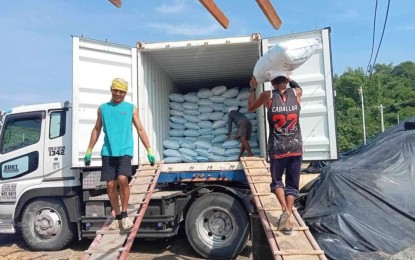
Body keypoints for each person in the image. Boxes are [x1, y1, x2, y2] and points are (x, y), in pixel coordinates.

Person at [83, 78, 156, 230]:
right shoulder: (103, 109)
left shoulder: (130, 108)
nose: (118, 94)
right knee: (110, 185)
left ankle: (124, 214)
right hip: (108, 151)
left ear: (125, 93)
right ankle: (117, 216)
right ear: (111, 90)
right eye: (116, 90)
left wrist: (149, 149)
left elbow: (140, 129)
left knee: (123, 178)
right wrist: (89, 149)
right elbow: (96, 129)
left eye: (121, 91)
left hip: (125, 150)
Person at [247, 71, 303, 235]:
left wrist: (252, 89)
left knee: (277, 182)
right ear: (286, 80)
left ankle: (285, 210)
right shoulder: (296, 93)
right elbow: (297, 86)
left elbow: (250, 107)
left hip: (278, 148)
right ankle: (288, 217)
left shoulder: (267, 96)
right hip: (296, 147)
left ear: (271, 83)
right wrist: (290, 77)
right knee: (292, 185)